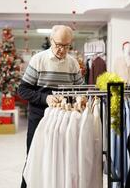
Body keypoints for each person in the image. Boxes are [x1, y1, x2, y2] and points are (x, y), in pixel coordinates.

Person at [18, 25, 83, 188]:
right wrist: (45, 98)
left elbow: (80, 90)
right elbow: (23, 90)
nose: (62, 50)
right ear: (51, 40)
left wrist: (81, 98)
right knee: (34, 158)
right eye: (59, 45)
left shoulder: (73, 63)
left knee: (60, 161)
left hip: (64, 119)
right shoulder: (38, 60)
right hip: (39, 117)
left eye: (66, 46)